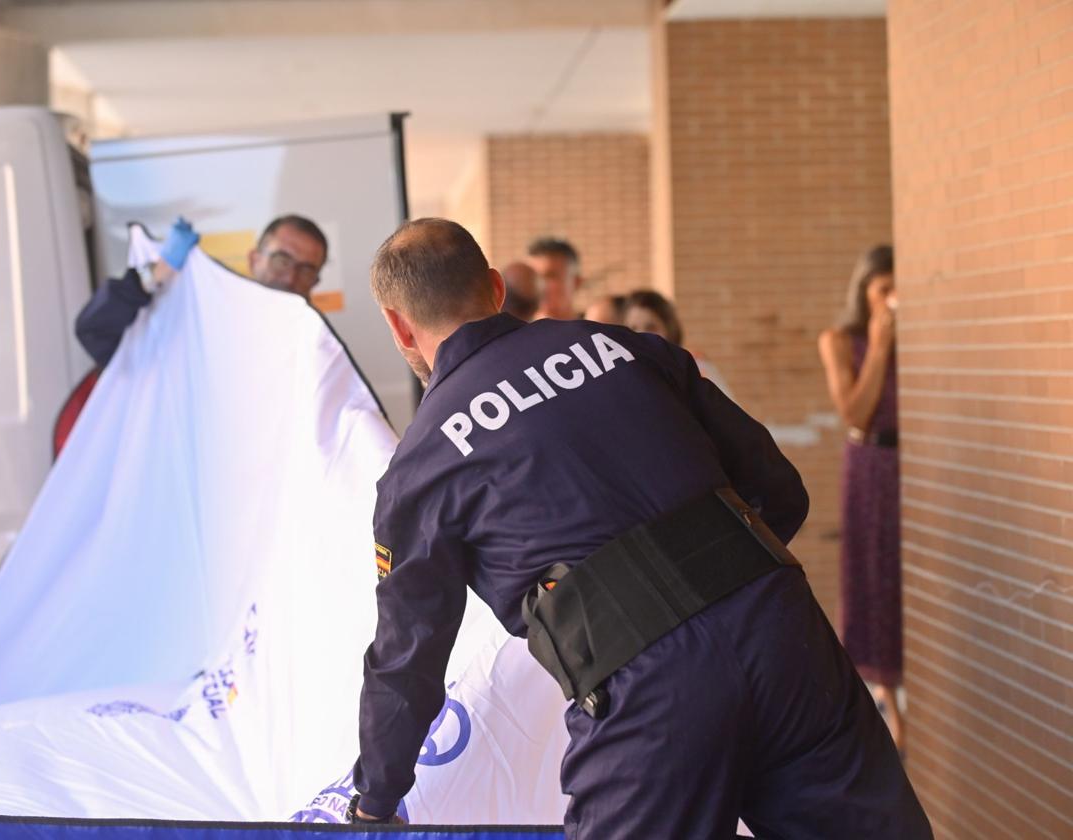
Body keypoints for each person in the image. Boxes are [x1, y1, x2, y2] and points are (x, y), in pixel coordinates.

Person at [348, 219, 931, 838]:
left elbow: (408, 658)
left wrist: (374, 799)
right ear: (494, 288)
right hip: (786, 634)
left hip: (649, 687)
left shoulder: (423, 463)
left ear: (398, 325)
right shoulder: (627, 349)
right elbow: (780, 490)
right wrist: (728, 589)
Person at [817, 244, 905, 750]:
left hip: (913, 465)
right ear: (864, 291)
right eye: (882, 290)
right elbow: (855, 414)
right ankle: (887, 703)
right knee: (875, 572)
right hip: (872, 464)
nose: (891, 300)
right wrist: (878, 346)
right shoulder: (841, 339)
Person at [75, 214, 327, 367]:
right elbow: (95, 331)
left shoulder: (311, 347)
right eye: (281, 260)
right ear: (253, 258)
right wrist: (155, 274)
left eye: (306, 270)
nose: (290, 276)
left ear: (314, 281)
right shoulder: (206, 320)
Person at [624, 289, 735, 400]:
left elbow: (727, 412)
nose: (641, 335)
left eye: (651, 327)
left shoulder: (694, 367)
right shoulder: (626, 376)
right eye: (633, 328)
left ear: (669, 328)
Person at [526, 236, 582, 320]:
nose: (539, 286)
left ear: (576, 282)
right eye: (534, 277)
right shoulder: (514, 331)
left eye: (550, 277)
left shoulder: (596, 330)